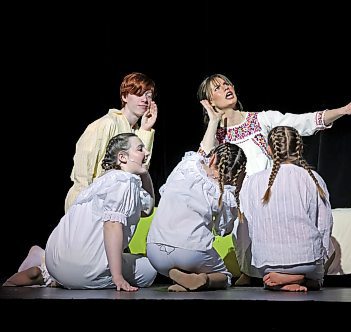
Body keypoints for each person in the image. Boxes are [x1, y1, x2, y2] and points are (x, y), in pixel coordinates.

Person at [197, 73, 351, 285]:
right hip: (243, 208)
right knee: (246, 244)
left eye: (227, 83)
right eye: (218, 88)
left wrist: (342, 111)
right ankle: (256, 274)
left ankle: (295, 274)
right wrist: (213, 122)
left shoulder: (260, 120)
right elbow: (201, 163)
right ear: (210, 100)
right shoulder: (214, 136)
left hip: (273, 200)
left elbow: (300, 122)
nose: (226, 88)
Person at [4, 133, 157, 291]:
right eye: (140, 149)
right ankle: (65, 276)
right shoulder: (125, 182)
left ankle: (47, 272)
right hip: (87, 267)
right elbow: (112, 225)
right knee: (150, 270)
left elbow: (147, 209)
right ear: (122, 157)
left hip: (55, 260)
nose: (146, 152)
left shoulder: (104, 181)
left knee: (81, 264)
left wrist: (144, 173)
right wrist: (117, 277)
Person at [239, 126, 333, 292]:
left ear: (269, 149)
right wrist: (320, 259)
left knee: (270, 274)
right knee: (326, 259)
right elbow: (324, 225)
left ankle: (281, 280)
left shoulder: (253, 181)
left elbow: (251, 224)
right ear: (300, 148)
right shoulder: (313, 178)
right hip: (307, 261)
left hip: (266, 264)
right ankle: (304, 278)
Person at [146, 142, 247, 292]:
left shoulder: (188, 164)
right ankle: (202, 279)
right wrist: (236, 190)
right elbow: (224, 230)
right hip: (191, 252)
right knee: (224, 276)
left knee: (183, 258)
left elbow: (204, 147)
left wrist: (213, 121)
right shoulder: (224, 195)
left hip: (154, 252)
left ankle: (181, 278)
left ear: (212, 158)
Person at [65, 72, 158, 212]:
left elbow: (140, 170)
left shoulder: (139, 132)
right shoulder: (107, 123)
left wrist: (145, 129)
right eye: (139, 94)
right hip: (90, 205)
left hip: (116, 207)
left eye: (148, 95)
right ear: (124, 96)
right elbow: (83, 169)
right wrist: (82, 206)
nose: (144, 99)